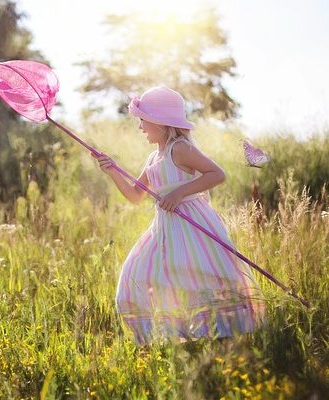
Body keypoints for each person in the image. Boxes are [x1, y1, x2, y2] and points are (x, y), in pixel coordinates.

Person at [94, 86, 265, 344]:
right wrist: (112, 170)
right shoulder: (154, 158)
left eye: (143, 120)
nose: (140, 127)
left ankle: (220, 336)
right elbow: (134, 195)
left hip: (192, 224)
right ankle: (171, 334)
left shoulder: (180, 148)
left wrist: (179, 194)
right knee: (137, 272)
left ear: (160, 122)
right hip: (164, 228)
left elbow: (217, 174)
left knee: (198, 275)